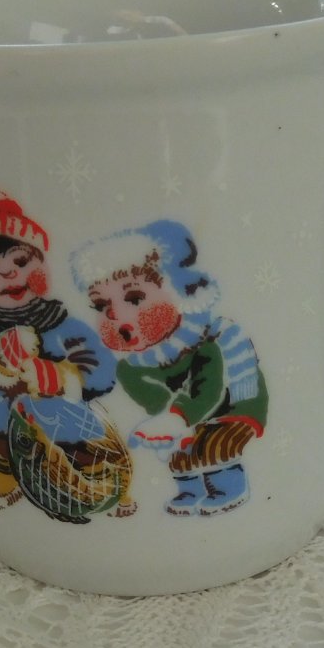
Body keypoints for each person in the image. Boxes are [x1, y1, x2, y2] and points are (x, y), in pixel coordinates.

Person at [0, 172, 132, 518]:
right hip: (5, 417)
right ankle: (4, 487)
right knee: (1, 447)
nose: (8, 274)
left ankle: (101, 492)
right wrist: (2, 370)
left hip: (64, 415)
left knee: (81, 450)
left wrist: (64, 377)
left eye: (20, 261)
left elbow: (102, 370)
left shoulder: (61, 322)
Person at [72, 220, 267, 516]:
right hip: (183, 413)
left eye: (134, 298)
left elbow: (208, 389)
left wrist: (177, 419)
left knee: (216, 444)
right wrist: (164, 424)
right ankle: (190, 489)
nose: (117, 316)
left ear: (175, 292)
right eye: (101, 306)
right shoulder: (130, 369)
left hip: (231, 403)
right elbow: (154, 402)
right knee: (180, 449)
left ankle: (228, 486)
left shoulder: (203, 342)